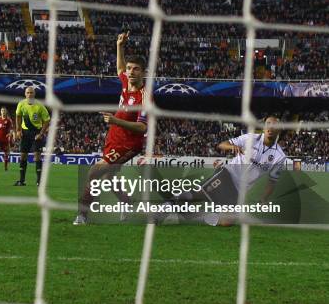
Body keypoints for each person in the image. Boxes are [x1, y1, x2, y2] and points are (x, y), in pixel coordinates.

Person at [73, 32, 149, 225]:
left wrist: (116, 121)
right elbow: (119, 67)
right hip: (114, 137)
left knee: (94, 173)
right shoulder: (126, 83)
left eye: (136, 69)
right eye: (130, 69)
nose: (130, 72)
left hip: (129, 143)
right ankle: (126, 202)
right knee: (108, 176)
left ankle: (82, 214)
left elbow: (142, 127)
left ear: (143, 72)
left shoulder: (144, 97)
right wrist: (119, 46)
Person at [160, 116, 287, 226]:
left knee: (227, 222)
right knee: (199, 194)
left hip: (239, 189)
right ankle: (163, 209)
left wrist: (263, 199)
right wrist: (233, 147)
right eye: (268, 124)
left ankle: (192, 215)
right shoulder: (250, 138)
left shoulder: (279, 157)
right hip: (228, 174)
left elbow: (272, 181)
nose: (270, 127)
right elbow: (222, 144)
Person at [13, 87, 50, 186]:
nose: (29, 94)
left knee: (37, 156)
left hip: (36, 133)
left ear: (34, 94)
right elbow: (18, 116)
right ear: (25, 94)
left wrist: (41, 133)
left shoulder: (40, 106)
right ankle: (22, 180)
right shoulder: (21, 104)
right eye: (28, 92)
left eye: (31, 93)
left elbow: (47, 120)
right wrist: (18, 130)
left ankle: (39, 181)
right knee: (23, 156)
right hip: (25, 133)